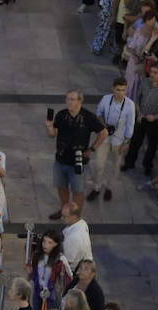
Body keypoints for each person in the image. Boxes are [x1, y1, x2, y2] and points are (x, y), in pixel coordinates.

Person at [46, 89, 108, 218]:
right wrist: (49, 127)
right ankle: (64, 210)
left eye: (72, 99)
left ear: (80, 100)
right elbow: (53, 135)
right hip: (61, 158)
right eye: (68, 99)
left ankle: (75, 216)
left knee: (78, 191)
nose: (69, 102)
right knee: (61, 187)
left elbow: (103, 133)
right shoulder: (61, 115)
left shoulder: (88, 117)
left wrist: (92, 149)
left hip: (78, 160)